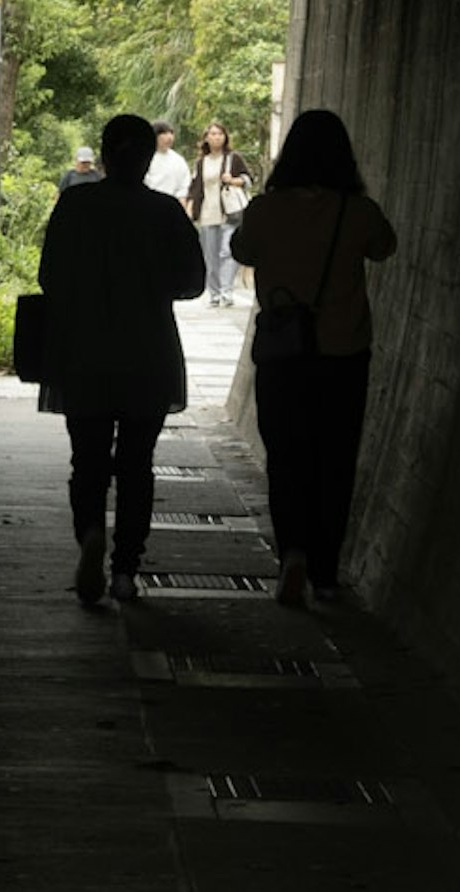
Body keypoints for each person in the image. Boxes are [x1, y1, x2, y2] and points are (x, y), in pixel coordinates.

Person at [34, 114, 206, 606]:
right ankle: (126, 569)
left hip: (83, 352)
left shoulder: (75, 204)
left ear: (105, 155)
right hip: (148, 354)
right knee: (137, 466)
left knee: (87, 459)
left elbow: (51, 277)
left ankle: (90, 532)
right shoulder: (164, 212)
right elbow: (193, 282)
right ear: (149, 157)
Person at [230, 108, 398, 607]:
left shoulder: (266, 210)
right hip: (344, 355)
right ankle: (325, 571)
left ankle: (293, 555)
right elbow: (384, 247)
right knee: (334, 460)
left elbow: (242, 250)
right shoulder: (357, 212)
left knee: (286, 457)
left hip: (284, 355)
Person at [186, 122, 255, 306]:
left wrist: (233, 180)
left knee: (227, 252)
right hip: (208, 212)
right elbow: (195, 187)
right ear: (206, 138)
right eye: (212, 134)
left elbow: (248, 179)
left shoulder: (233, 158)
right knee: (210, 255)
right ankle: (214, 294)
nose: (216, 137)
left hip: (229, 212)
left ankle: (227, 291)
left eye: (220, 134)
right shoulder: (201, 162)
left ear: (225, 137)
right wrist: (191, 207)